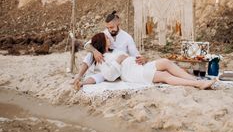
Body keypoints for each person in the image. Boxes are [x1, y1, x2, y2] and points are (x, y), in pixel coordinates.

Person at [74, 33, 216, 90]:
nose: (110, 38)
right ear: (102, 42)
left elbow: (134, 55)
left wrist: (143, 59)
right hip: (132, 73)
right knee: (165, 76)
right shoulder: (101, 59)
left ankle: (194, 78)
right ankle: (198, 84)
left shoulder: (115, 49)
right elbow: (110, 76)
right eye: (107, 38)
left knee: (166, 62)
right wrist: (117, 59)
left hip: (139, 65)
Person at [73, 11, 146, 87]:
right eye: (108, 28)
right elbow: (87, 45)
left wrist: (143, 59)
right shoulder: (105, 34)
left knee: (106, 73)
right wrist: (95, 51)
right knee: (91, 53)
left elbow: (136, 55)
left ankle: (84, 82)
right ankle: (79, 75)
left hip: (118, 65)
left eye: (111, 27)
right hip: (105, 63)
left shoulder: (127, 37)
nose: (110, 30)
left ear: (118, 23)